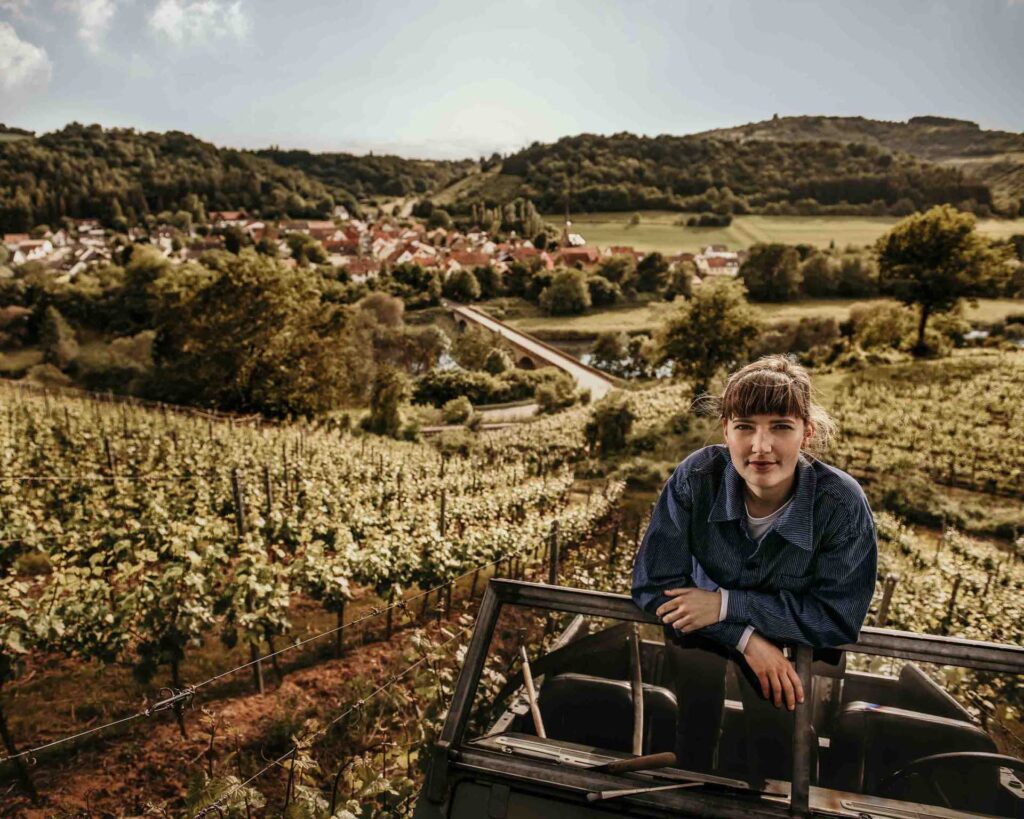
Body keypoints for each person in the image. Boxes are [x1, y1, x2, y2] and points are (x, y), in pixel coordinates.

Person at [631, 355, 877, 775]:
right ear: (726, 430)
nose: (760, 447)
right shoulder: (696, 477)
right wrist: (744, 637)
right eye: (744, 426)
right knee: (692, 730)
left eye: (780, 426)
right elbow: (654, 585)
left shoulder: (841, 505)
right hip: (699, 630)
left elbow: (837, 617)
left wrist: (728, 604)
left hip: (789, 644)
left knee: (782, 745)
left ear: (807, 433)